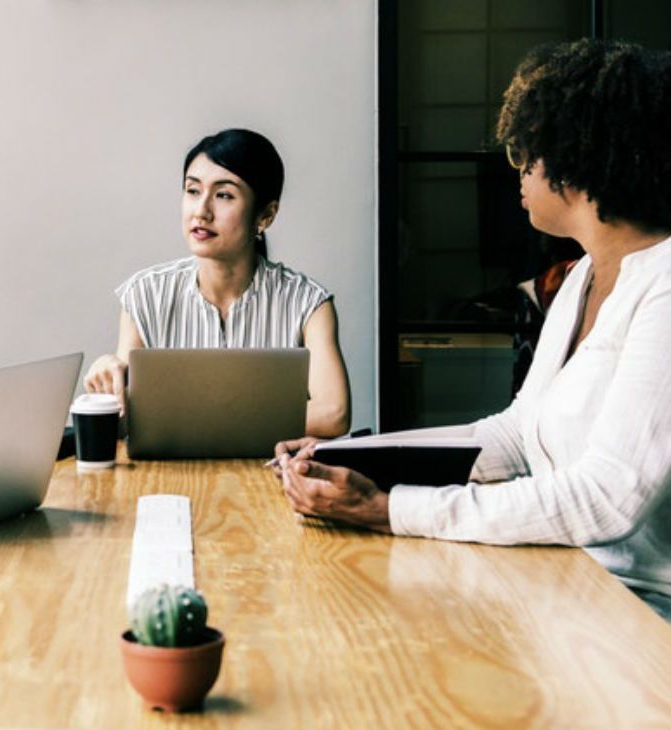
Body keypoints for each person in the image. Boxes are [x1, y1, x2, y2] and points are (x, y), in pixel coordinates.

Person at [276, 39, 671, 620]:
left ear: (572, 158)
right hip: (564, 581)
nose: (518, 173)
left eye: (523, 153)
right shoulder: (584, 274)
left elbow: (607, 500)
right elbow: (512, 436)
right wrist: (351, 454)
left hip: (637, 617)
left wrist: (389, 508)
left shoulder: (664, 287)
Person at [83, 129, 351, 438]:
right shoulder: (144, 295)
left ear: (265, 216)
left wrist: (188, 416)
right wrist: (107, 374)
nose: (201, 211)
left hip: (268, 479)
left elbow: (333, 413)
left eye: (224, 195)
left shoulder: (307, 303)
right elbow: (127, 419)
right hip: (168, 482)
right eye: (192, 191)